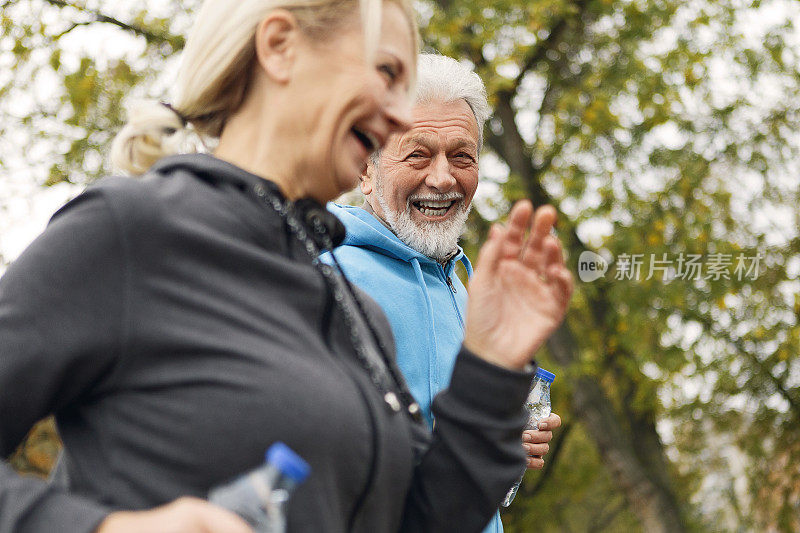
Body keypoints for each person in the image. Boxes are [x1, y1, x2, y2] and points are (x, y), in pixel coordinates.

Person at [0, 2, 573, 533]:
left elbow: (424, 517)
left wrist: (492, 368)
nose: (399, 112)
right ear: (279, 47)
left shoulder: (352, 309)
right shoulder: (131, 232)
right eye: (385, 74)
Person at [326, 53, 563, 533]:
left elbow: (465, 470)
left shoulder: (464, 292)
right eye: (417, 154)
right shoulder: (323, 278)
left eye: (462, 156)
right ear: (365, 170)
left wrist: (503, 439)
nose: (442, 178)